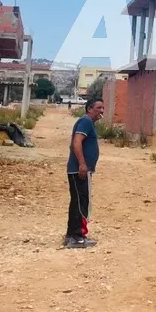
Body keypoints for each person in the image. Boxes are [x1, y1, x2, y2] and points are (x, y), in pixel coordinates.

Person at [64, 98, 105, 248]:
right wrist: (82, 164)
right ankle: (77, 237)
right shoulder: (86, 122)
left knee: (77, 202)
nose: (101, 111)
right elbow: (76, 142)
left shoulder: (88, 123)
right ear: (89, 109)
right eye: (98, 108)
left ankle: (71, 235)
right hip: (79, 170)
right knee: (81, 202)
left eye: (103, 108)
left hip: (79, 170)